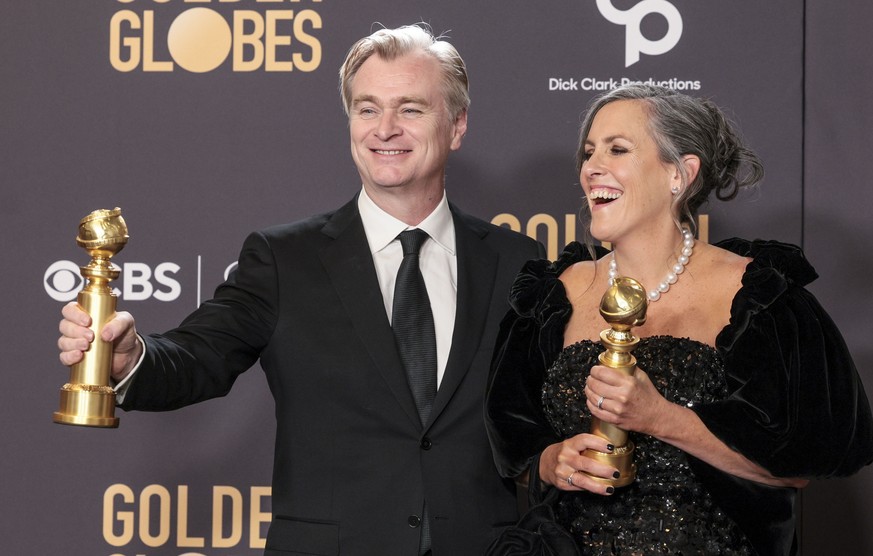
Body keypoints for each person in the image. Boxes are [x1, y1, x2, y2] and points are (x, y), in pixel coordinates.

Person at [58, 24, 543, 555]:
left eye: (410, 109)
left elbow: (546, 413)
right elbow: (199, 355)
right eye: (366, 108)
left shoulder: (516, 261)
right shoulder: (284, 258)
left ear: (456, 125)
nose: (385, 128)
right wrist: (130, 359)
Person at [485, 84, 873, 555]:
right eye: (589, 152)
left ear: (680, 174)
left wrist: (661, 417)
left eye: (618, 149)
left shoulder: (757, 299)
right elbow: (516, 440)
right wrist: (552, 461)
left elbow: (799, 465)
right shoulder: (552, 296)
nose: (592, 168)